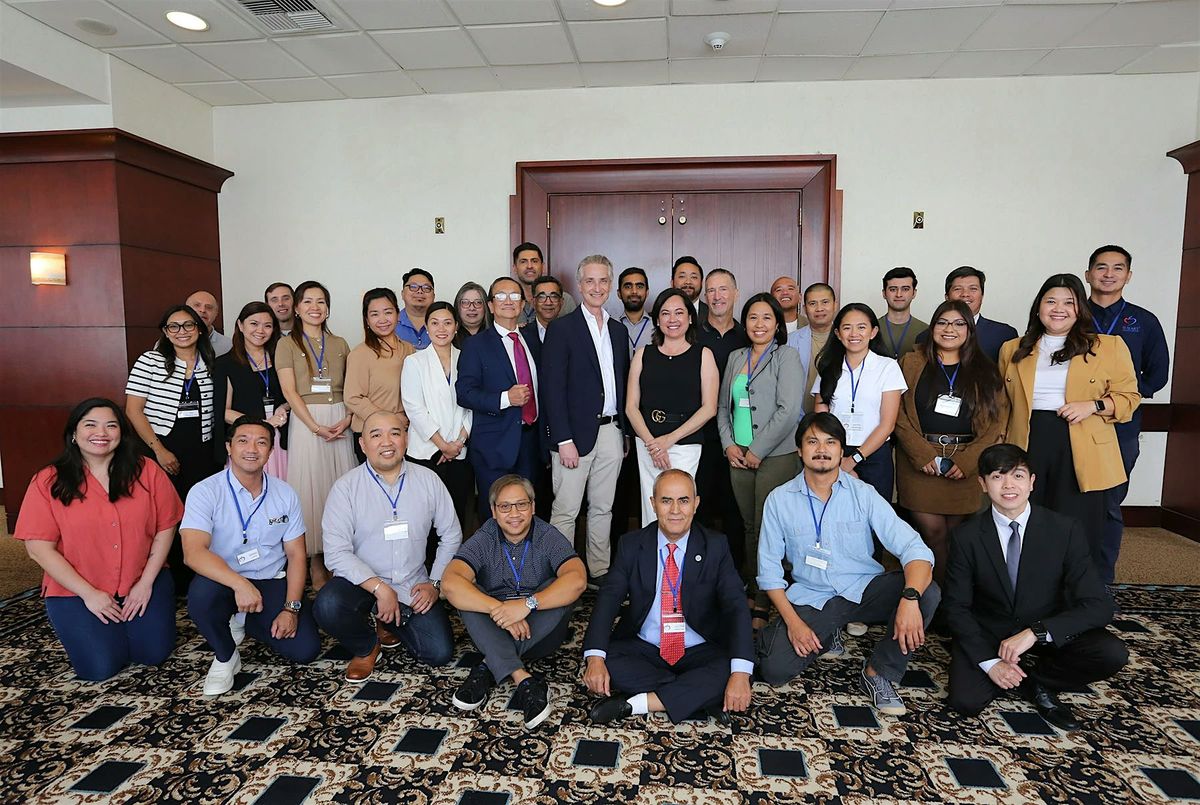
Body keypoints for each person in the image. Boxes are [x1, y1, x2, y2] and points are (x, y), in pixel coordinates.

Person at [756, 413, 940, 716]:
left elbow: (914, 549)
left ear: (842, 451)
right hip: (814, 596)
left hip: (864, 590)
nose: (822, 449)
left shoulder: (863, 494)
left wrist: (909, 599)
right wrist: (794, 624)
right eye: (812, 441)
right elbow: (769, 573)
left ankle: (879, 671)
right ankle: (828, 633)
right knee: (774, 669)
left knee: (926, 592)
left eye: (830, 442)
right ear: (799, 450)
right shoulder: (779, 500)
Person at [942, 444, 1128, 729]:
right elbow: (956, 607)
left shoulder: (1064, 529)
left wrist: (1037, 632)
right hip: (991, 633)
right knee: (965, 701)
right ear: (982, 484)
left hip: (1047, 633)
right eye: (997, 477)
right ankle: (1017, 676)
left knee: (1112, 652)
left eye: (1017, 476)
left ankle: (1038, 681)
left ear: (1031, 482)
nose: (1008, 485)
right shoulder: (966, 536)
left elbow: (1099, 605)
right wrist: (991, 663)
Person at [14, 399, 182, 681]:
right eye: (90, 425)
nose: (101, 433)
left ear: (121, 433)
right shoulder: (47, 481)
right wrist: (89, 594)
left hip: (141, 580)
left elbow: (167, 526)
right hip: (77, 589)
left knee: (152, 654)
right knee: (99, 668)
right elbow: (39, 549)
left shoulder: (147, 470)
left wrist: (145, 583)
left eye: (111, 426)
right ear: (74, 433)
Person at [583, 469, 753, 725]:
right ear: (653, 504)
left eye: (683, 500)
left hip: (698, 648)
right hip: (646, 646)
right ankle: (698, 697)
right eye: (666, 501)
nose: (675, 510)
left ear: (696, 504)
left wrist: (739, 674)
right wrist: (595, 658)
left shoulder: (715, 545)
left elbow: (736, 606)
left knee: (735, 668)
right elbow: (608, 600)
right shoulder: (632, 544)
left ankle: (636, 704)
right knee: (607, 661)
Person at [997, 274, 1140, 570]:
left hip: (1082, 444)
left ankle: (1080, 590)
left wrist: (1093, 405)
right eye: (1051, 301)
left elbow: (1129, 398)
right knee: (1028, 521)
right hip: (1028, 442)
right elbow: (1002, 404)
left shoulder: (1108, 346)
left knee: (1079, 526)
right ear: (1038, 307)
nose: (1058, 309)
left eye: (1068, 302)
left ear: (1080, 309)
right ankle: (1031, 588)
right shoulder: (1013, 348)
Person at [314, 412, 461, 681]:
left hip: (411, 584)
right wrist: (380, 588)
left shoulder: (428, 480)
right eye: (376, 435)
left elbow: (451, 535)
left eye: (395, 433)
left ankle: (387, 620)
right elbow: (336, 553)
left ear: (406, 439)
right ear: (362, 444)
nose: (387, 442)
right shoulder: (345, 488)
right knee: (328, 605)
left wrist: (434, 583)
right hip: (362, 584)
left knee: (438, 652)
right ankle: (367, 646)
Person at [180, 416, 320, 695]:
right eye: (243, 441)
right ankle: (225, 655)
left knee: (305, 650)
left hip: (270, 579)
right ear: (229, 447)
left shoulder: (285, 493)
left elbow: (296, 555)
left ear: (270, 451)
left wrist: (290, 609)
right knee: (201, 596)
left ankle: (246, 619)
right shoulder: (205, 491)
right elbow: (193, 553)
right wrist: (240, 584)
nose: (252, 449)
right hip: (223, 580)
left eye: (261, 442)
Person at [442, 475, 587, 729]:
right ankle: (523, 678)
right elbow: (449, 584)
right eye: (505, 506)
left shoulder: (547, 535)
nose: (514, 514)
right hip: (496, 625)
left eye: (521, 504)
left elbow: (578, 580)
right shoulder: (485, 536)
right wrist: (499, 610)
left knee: (557, 586)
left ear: (533, 506)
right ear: (494, 511)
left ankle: (489, 666)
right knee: (468, 592)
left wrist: (526, 605)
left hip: (539, 635)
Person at [893, 300, 1008, 581]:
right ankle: (940, 595)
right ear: (932, 327)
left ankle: (953, 594)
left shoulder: (986, 369)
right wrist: (922, 454)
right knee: (933, 533)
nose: (949, 329)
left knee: (957, 535)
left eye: (959, 323)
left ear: (969, 330)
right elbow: (896, 413)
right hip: (920, 463)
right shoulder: (910, 363)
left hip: (965, 461)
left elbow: (995, 423)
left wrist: (968, 461)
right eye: (942, 322)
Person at [541, 255, 629, 588]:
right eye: (590, 281)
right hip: (573, 437)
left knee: (603, 508)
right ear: (579, 286)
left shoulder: (618, 331)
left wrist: (623, 433)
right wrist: (562, 439)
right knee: (566, 510)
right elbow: (551, 388)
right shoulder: (562, 329)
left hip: (611, 431)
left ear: (610, 285)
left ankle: (599, 570)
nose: (596, 287)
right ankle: (563, 573)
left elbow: (621, 383)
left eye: (603, 280)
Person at [1084, 245, 1170, 585]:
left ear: (1128, 276)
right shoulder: (1069, 314)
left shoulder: (1143, 321)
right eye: (1101, 267)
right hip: (1073, 420)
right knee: (1067, 501)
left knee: (1108, 503)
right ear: (1088, 274)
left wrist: (1122, 395)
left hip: (1120, 425)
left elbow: (1158, 374)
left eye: (1117, 268)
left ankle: (1101, 580)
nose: (1109, 274)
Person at [717, 294, 804, 627]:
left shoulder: (786, 356)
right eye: (753, 317)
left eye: (767, 317)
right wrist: (729, 445)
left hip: (775, 456)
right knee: (749, 526)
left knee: (770, 528)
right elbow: (723, 407)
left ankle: (767, 598)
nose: (759, 324)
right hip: (738, 456)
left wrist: (758, 449)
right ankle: (754, 587)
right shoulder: (736, 357)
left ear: (777, 323)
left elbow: (788, 410)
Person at [126, 304, 220, 591]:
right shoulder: (150, 361)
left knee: (198, 513)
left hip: (201, 449)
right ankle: (167, 577)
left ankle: (196, 572)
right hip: (162, 446)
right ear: (165, 332)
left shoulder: (211, 362)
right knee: (164, 513)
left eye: (188, 325)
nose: (182, 332)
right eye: (174, 326)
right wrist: (159, 450)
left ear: (199, 329)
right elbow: (133, 410)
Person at [275, 280, 356, 590]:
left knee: (340, 489)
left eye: (321, 301)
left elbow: (351, 387)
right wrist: (313, 426)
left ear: (328, 308)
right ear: (297, 308)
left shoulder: (340, 343)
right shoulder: (286, 345)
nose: (315, 307)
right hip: (307, 422)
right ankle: (316, 563)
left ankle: (342, 559)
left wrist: (347, 419)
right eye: (308, 301)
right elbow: (289, 391)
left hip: (340, 420)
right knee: (311, 492)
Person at [626, 289, 718, 527]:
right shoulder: (643, 354)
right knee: (651, 505)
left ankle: (678, 552)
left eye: (679, 312)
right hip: (647, 443)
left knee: (680, 507)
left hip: (685, 444)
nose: (672, 319)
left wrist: (669, 440)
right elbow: (631, 407)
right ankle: (650, 551)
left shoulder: (703, 355)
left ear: (690, 318)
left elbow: (709, 408)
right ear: (657, 320)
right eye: (665, 313)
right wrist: (653, 444)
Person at [457, 277, 543, 520]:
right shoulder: (476, 345)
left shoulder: (532, 340)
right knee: (495, 513)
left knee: (526, 513)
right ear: (491, 305)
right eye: (501, 296)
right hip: (493, 445)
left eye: (514, 296)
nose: (508, 301)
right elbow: (464, 393)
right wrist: (505, 398)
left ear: (523, 304)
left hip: (530, 441)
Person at [813, 303, 907, 502]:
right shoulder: (828, 367)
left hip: (874, 455)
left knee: (875, 514)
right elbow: (821, 418)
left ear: (873, 332)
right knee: (836, 512)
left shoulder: (887, 367)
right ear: (838, 334)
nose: (854, 333)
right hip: (834, 453)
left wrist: (853, 459)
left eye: (861, 327)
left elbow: (887, 424)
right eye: (847, 327)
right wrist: (836, 458)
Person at [400, 302, 475, 534]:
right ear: (427, 327)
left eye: (447, 323)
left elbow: (473, 405)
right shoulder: (414, 362)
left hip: (459, 451)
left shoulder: (467, 358)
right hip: (426, 452)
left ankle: (455, 558)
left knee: (457, 513)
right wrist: (443, 445)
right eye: (435, 323)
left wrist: (458, 443)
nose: (441, 329)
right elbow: (414, 408)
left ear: (456, 327)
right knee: (426, 518)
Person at [695, 269, 748, 543]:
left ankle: (736, 567)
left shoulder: (748, 335)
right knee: (699, 504)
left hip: (739, 437)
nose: (717, 296)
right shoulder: (692, 335)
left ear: (736, 294)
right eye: (712, 290)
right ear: (705, 296)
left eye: (723, 289)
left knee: (735, 508)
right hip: (699, 435)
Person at [214, 302, 291, 479]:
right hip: (248, 439)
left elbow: (293, 395)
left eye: (267, 326)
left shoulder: (281, 358)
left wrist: (283, 408)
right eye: (254, 324)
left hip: (282, 436)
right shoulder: (225, 364)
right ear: (240, 325)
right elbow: (224, 411)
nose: (260, 331)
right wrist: (262, 423)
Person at [345, 287, 417, 463]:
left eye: (388, 312)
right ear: (367, 320)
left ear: (398, 314)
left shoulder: (409, 349)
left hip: (404, 432)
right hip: (371, 434)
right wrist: (390, 420)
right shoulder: (360, 353)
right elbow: (353, 397)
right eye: (375, 314)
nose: (383, 319)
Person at [918, 267, 1018, 363]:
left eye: (973, 289)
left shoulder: (1004, 334)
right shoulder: (925, 337)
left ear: (982, 296)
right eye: (958, 289)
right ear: (947, 297)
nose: (965, 294)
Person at [786, 283, 837, 416]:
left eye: (825, 302)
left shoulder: (847, 339)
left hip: (838, 418)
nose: (819, 308)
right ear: (805, 308)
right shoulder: (790, 341)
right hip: (798, 418)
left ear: (835, 305)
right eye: (813, 303)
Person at [512, 242, 576, 326]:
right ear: (515, 268)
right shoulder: (507, 301)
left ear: (543, 267)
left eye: (534, 261)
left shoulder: (566, 300)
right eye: (523, 262)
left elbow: (574, 330)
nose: (529, 266)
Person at [879, 267, 927, 360]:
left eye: (905, 289)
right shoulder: (871, 329)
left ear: (914, 293)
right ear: (884, 293)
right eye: (893, 289)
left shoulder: (927, 331)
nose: (899, 294)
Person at [618, 266, 654, 356]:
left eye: (639, 286)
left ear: (647, 293)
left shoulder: (658, 326)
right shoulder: (609, 326)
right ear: (619, 293)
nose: (634, 291)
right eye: (628, 286)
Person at [186, 290, 233, 357]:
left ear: (216, 313)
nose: (203, 310)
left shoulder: (228, 346)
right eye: (197, 305)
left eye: (209, 307)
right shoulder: (175, 339)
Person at [397, 268, 435, 349]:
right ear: (402, 294)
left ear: (433, 296)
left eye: (426, 288)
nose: (420, 291)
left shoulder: (444, 324)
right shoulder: (390, 324)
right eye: (413, 287)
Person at [524, 275, 565, 346]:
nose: (548, 303)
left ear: (561, 302)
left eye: (554, 297)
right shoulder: (522, 335)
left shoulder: (572, 332)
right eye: (542, 297)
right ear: (533, 302)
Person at [454, 281, 492, 345]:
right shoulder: (449, 336)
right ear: (457, 306)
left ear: (486, 306)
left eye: (478, 302)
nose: (472, 308)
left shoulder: (496, 333)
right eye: (465, 303)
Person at [671, 256, 706, 320]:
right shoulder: (660, 313)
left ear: (702, 282)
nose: (688, 282)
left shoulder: (712, 314)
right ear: (672, 282)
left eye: (693, 277)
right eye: (682, 276)